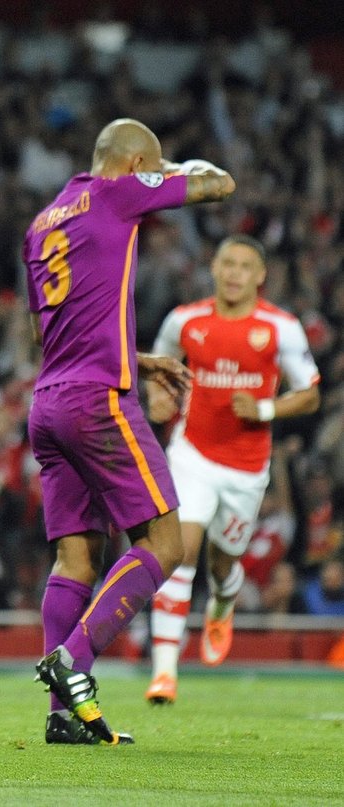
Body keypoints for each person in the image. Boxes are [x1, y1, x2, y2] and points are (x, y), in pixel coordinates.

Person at [23, 119, 235, 745]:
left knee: (75, 557)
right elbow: (220, 186)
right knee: (166, 543)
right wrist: (177, 169)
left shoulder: (42, 222)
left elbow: (52, 334)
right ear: (138, 162)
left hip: (49, 403)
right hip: (97, 404)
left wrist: (139, 358)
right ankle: (75, 661)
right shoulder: (119, 191)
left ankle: (64, 717)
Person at [144, 235, 320, 704]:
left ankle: (222, 603)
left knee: (223, 562)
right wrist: (158, 396)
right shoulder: (185, 320)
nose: (234, 273)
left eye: (245, 265)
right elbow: (159, 367)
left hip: (246, 467)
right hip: (192, 453)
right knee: (179, 550)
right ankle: (165, 672)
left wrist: (263, 411)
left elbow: (310, 392)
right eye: (227, 263)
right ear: (215, 268)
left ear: (260, 275)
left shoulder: (280, 327)